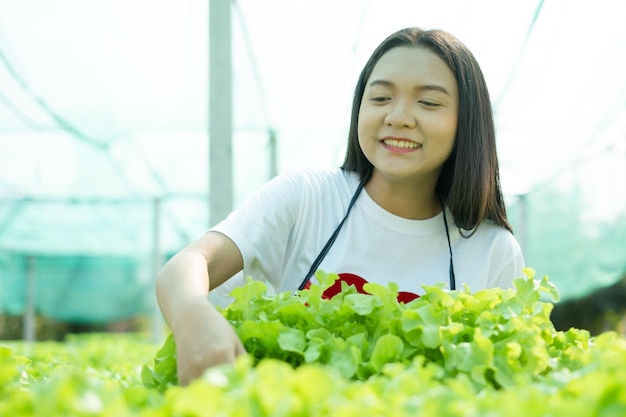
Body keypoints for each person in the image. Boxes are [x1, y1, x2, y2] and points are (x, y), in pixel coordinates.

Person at [156, 26, 525, 385]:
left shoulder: (492, 250)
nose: (397, 116)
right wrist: (193, 315)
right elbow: (188, 266)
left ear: (467, 122)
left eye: (428, 102)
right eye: (380, 98)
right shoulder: (306, 198)